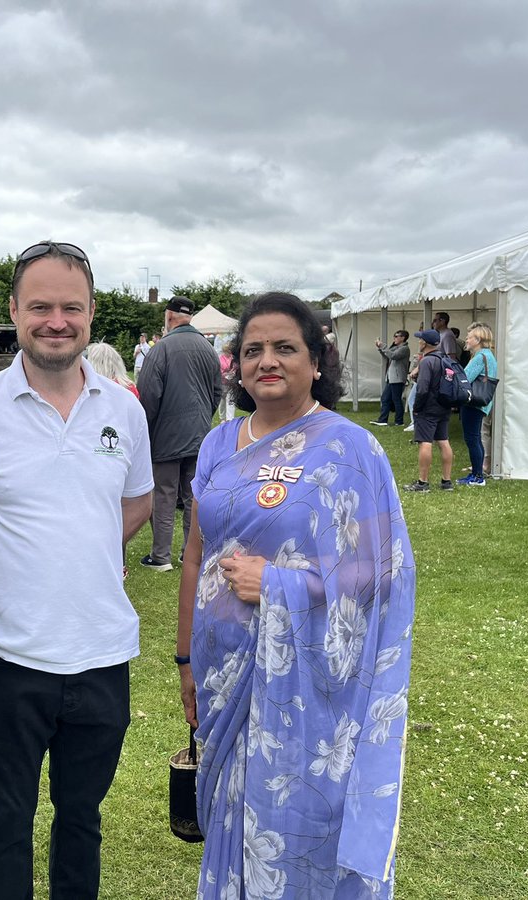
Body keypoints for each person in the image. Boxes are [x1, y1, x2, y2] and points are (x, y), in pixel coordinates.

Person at [176, 291, 414, 899]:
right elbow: (196, 555)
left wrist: (282, 585)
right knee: (230, 815)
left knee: (301, 819)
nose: (267, 361)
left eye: (285, 347)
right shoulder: (218, 443)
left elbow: (380, 574)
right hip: (222, 668)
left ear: (315, 361)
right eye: (252, 350)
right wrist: (185, 658)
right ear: (236, 365)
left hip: (307, 682)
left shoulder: (350, 450)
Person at [0, 240, 153, 899]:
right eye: (40, 307)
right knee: (6, 823)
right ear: (14, 312)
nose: (56, 322)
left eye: (71, 307)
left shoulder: (124, 409)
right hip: (10, 655)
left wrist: (87, 547)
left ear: (91, 313)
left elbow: (139, 498)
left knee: (82, 819)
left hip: (102, 652)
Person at [137, 296, 221, 571]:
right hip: (199, 435)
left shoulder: (161, 349)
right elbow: (217, 391)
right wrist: (202, 418)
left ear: (169, 316)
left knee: (164, 494)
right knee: (192, 495)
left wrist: (148, 431)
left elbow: (148, 395)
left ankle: (161, 555)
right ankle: (190, 551)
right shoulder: (208, 348)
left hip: (166, 436)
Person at [404, 328, 455, 492]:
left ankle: (423, 482)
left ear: (424, 343)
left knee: (425, 442)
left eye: (420, 339)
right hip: (444, 405)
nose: (419, 341)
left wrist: (417, 408)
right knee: (443, 441)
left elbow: (423, 389)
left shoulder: (426, 361)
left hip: (428, 407)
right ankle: (446, 481)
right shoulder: (445, 359)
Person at [457, 323, 498, 486]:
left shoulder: (480, 357)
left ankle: (477, 476)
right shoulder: (489, 355)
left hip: (473, 403)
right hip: (482, 404)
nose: (466, 340)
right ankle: (477, 473)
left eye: (469, 337)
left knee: (472, 439)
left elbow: (465, 378)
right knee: (476, 438)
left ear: (478, 340)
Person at [371, 330, 410, 427]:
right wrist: (380, 348)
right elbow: (387, 355)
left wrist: (383, 346)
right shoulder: (396, 347)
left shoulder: (404, 349)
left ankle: (399, 421)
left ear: (403, 338)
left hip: (398, 378)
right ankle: (383, 420)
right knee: (385, 398)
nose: (394, 338)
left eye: (396, 336)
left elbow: (393, 356)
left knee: (396, 399)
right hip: (391, 377)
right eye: (394, 336)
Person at [217, 341, 236, 420]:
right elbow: (218, 372)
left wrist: (234, 372)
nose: (229, 353)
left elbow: (236, 367)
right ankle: (222, 418)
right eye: (227, 351)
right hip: (222, 383)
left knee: (230, 401)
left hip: (231, 383)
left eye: (230, 351)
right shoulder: (220, 359)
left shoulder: (233, 358)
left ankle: (230, 418)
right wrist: (225, 374)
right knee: (222, 401)